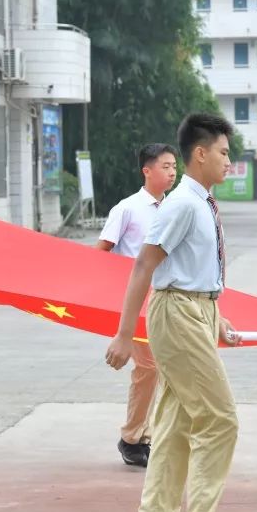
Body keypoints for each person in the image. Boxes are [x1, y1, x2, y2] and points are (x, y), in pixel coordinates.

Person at [105, 113, 246, 512]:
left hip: (198, 310)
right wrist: (125, 335)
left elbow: (195, 269)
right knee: (220, 418)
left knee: (175, 426)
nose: (229, 160)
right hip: (177, 313)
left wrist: (216, 315)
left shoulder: (201, 202)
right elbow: (144, 266)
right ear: (200, 154)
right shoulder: (183, 203)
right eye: (224, 152)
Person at [96, 143, 178, 467]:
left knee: (159, 369)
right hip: (135, 301)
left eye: (174, 166)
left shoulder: (175, 208)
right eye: (166, 166)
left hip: (168, 298)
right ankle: (133, 438)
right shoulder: (127, 209)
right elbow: (99, 252)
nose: (172, 172)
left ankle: (141, 435)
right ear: (147, 170)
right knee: (149, 366)